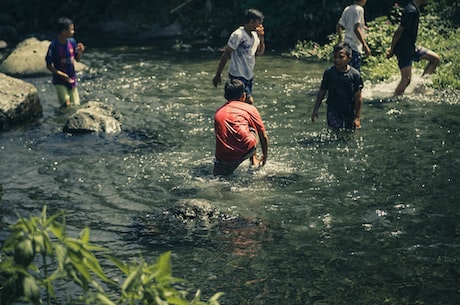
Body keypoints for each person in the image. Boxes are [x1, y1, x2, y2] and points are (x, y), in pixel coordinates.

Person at [214, 79, 268, 176]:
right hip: (246, 149)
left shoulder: (218, 112)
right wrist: (265, 157)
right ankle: (254, 159)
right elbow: (263, 135)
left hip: (224, 157)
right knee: (252, 127)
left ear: (225, 96)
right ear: (243, 96)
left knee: (220, 178)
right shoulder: (250, 108)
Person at [386, 0, 440, 96]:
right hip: (403, 49)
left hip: (411, 47)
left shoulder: (413, 9)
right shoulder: (410, 11)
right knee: (406, 80)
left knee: (435, 59)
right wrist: (392, 49)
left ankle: (419, 88)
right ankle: (395, 98)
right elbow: (398, 31)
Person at [212, 9, 265, 104]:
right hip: (237, 73)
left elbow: (260, 52)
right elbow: (226, 53)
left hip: (248, 75)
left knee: (241, 101)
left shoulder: (254, 35)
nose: (260, 26)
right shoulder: (238, 35)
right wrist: (218, 74)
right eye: (258, 23)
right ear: (251, 22)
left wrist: (261, 37)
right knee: (248, 101)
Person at [311, 43, 363, 130]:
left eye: (341, 57)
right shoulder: (329, 73)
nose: (337, 60)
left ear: (349, 57)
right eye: (335, 57)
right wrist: (315, 110)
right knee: (335, 132)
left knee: (350, 132)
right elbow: (322, 91)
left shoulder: (354, 75)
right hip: (333, 109)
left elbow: (358, 98)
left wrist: (357, 117)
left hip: (349, 110)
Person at [45, 17, 85, 107]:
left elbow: (77, 59)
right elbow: (48, 65)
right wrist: (61, 74)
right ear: (63, 32)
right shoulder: (54, 46)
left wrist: (80, 52)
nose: (73, 32)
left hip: (71, 79)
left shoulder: (72, 42)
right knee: (66, 105)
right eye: (71, 30)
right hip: (59, 80)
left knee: (76, 105)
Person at [336, 0, 371, 72]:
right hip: (355, 47)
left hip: (346, 46)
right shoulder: (360, 9)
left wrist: (340, 38)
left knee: (346, 72)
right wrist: (365, 45)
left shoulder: (347, 9)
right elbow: (356, 29)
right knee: (355, 74)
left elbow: (338, 26)